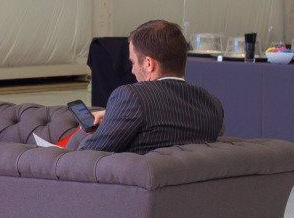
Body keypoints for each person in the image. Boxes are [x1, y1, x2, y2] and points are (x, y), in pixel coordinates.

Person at [79, 20, 225, 154]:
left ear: (149, 63)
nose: (132, 70)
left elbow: (86, 156)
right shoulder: (212, 105)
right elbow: (168, 118)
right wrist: (115, 114)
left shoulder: (132, 96)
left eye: (133, 63)